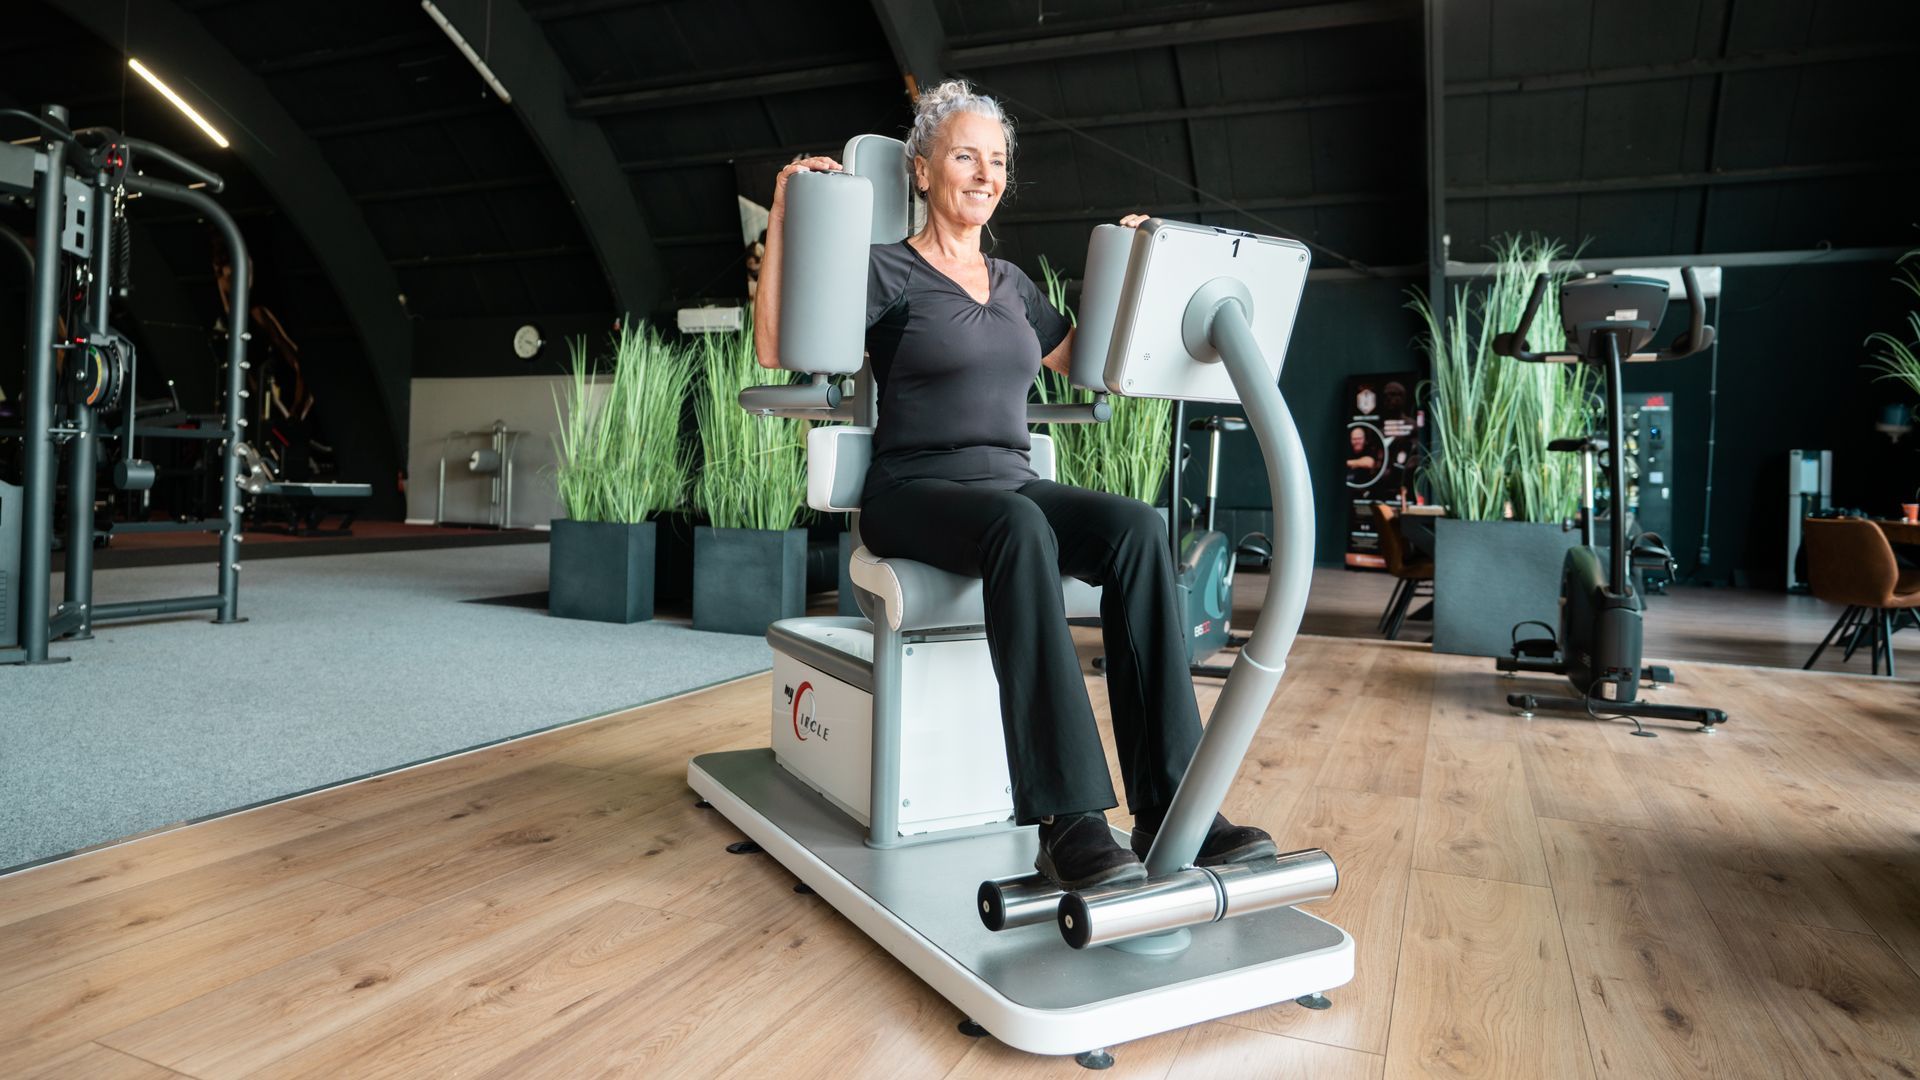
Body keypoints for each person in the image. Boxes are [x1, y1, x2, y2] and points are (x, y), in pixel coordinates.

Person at [752, 80, 1275, 890]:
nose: (985, 174)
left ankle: (1175, 805)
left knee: (1137, 526)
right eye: (965, 155)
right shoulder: (887, 270)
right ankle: (1067, 822)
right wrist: (789, 207)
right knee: (1019, 528)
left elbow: (1096, 355)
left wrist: (1145, 261)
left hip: (1007, 487)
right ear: (922, 172)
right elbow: (778, 342)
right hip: (912, 493)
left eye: (996, 161)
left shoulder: (1013, 283)